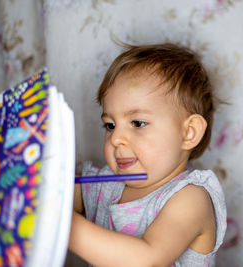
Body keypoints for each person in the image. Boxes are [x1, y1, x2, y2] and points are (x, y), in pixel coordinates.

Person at [69, 43, 227, 267]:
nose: (116, 139)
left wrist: (64, 224)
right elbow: (51, 195)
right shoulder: (102, 187)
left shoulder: (191, 200)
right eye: (110, 125)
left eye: (137, 123)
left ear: (188, 133)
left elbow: (146, 259)